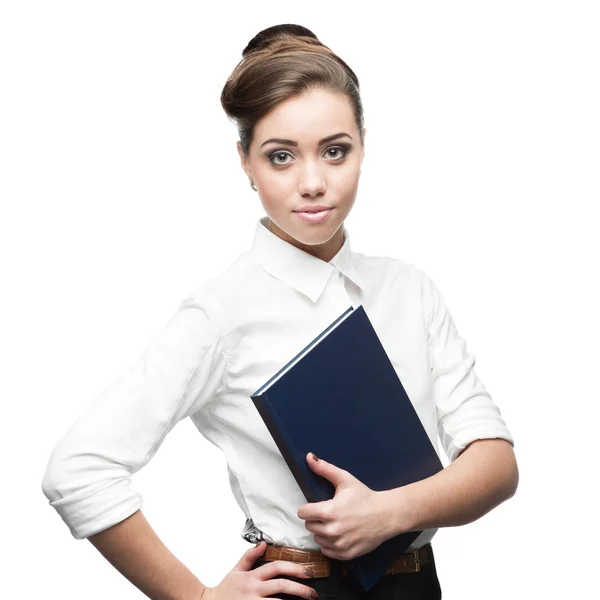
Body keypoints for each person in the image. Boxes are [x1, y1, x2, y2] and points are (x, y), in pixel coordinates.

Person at [41, 23, 518, 600]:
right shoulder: (221, 313)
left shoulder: (409, 290)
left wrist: (389, 512)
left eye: (335, 151)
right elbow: (78, 470)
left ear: (364, 144)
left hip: (419, 587)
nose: (313, 183)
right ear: (245, 162)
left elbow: (495, 463)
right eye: (281, 157)